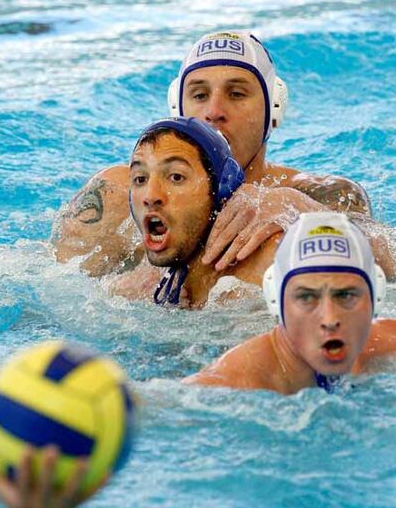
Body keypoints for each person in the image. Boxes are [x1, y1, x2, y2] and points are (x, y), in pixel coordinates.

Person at [53, 31, 394, 281]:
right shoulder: (116, 194)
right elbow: (47, 291)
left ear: (273, 109)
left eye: (236, 93)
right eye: (199, 94)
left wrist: (299, 211)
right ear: (178, 107)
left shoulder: (320, 195)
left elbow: (386, 270)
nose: (214, 111)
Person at [111, 117, 329, 307]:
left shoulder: (270, 267)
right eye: (140, 179)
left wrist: (300, 206)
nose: (150, 196)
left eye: (176, 177)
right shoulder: (137, 285)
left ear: (221, 189)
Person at [183, 211, 396, 393]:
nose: (330, 319)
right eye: (306, 297)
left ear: (375, 296)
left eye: (346, 295)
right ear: (276, 300)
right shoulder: (227, 386)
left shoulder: (386, 347)